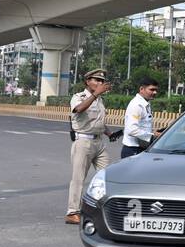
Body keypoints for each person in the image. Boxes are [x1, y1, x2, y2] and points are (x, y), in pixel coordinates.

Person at [66, 69, 121, 224]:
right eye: (96, 80)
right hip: (83, 142)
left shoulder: (99, 101)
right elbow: (78, 109)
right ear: (87, 81)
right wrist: (95, 94)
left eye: (102, 81)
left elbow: (98, 122)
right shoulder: (79, 97)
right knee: (78, 178)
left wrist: (110, 134)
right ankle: (72, 212)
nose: (100, 83)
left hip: (98, 142)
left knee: (106, 176)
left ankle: (103, 208)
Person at [121, 78, 161, 158]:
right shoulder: (137, 105)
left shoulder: (145, 103)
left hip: (142, 148)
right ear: (141, 89)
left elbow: (142, 125)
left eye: (156, 90)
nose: (155, 92)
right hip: (133, 150)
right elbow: (132, 129)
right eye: (152, 89)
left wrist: (153, 133)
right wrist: (152, 136)